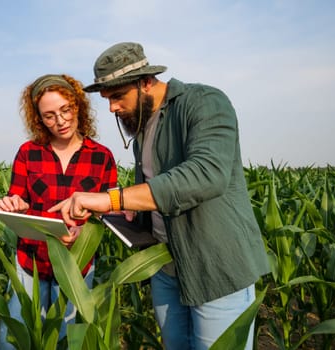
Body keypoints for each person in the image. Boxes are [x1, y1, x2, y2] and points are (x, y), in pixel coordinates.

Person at [49, 42, 270, 349]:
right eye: (107, 99)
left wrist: (113, 199)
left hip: (213, 268)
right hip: (164, 267)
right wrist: (128, 212)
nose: (111, 107)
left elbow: (206, 174)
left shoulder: (205, 102)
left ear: (145, 82)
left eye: (117, 96)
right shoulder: (142, 126)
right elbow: (157, 190)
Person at [0, 73, 118, 349]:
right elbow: (17, 196)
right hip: (31, 262)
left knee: (69, 341)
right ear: (39, 119)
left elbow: (107, 210)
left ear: (78, 107)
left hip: (77, 265)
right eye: (49, 115)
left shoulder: (102, 156)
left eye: (66, 110)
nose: (60, 121)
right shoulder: (28, 152)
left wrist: (87, 225)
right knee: (13, 341)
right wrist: (14, 203)